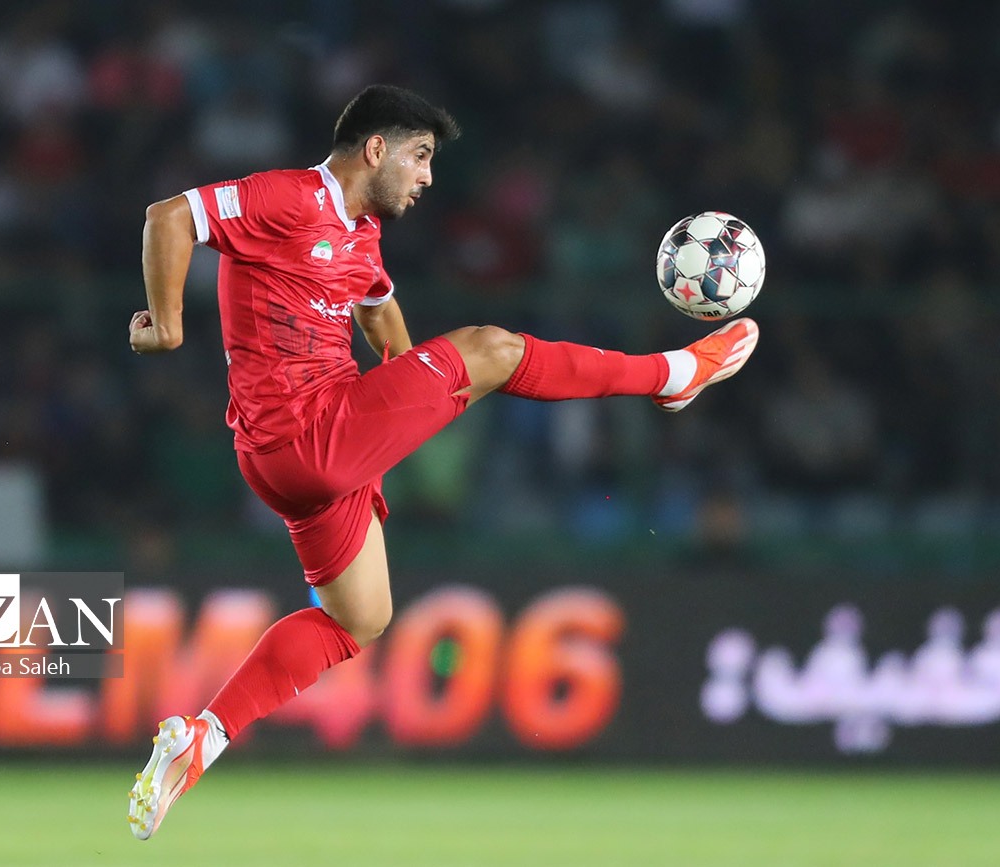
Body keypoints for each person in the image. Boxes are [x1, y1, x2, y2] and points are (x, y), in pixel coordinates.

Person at [126, 84, 759, 840]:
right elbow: (169, 217)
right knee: (490, 348)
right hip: (306, 434)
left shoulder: (360, 235)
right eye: (421, 156)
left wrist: (405, 380)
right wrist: (167, 326)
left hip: (300, 456)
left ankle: (202, 737)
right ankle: (670, 376)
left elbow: (377, 307)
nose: (428, 177)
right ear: (375, 149)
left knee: (359, 619)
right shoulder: (289, 197)